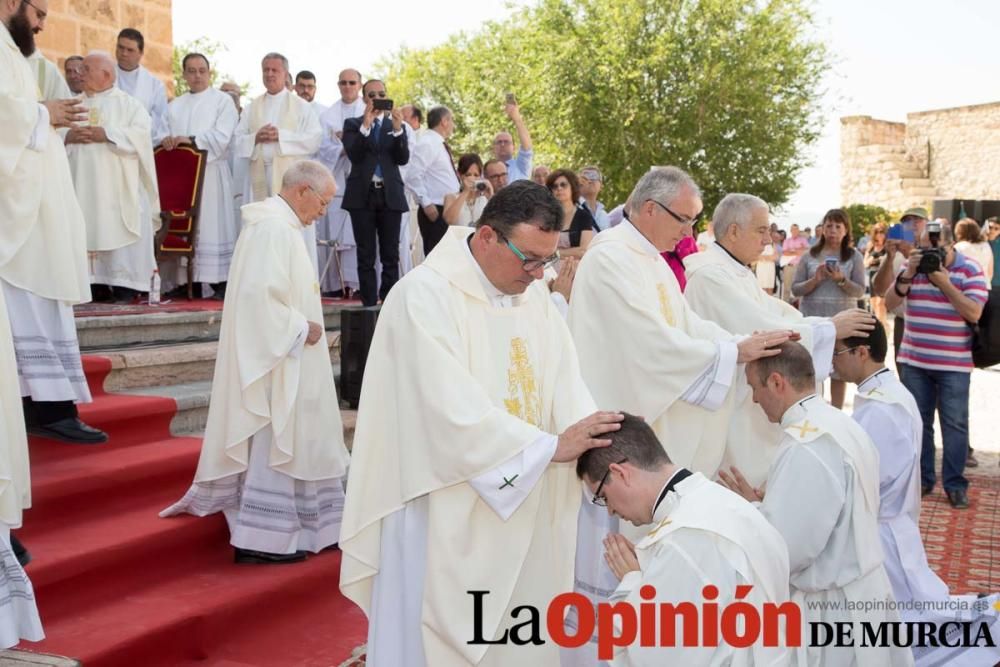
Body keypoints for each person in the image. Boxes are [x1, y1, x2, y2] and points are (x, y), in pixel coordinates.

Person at [339, 181, 625, 666]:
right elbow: (444, 409)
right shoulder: (422, 297)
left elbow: (564, 381)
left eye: (547, 261)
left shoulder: (533, 298)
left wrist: (591, 438)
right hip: (445, 502)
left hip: (527, 495)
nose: (538, 275)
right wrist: (545, 450)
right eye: (529, 259)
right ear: (488, 236)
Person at [161, 160, 350, 563]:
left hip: (291, 357)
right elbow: (256, 299)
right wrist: (301, 327)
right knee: (274, 439)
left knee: (301, 437)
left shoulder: (284, 227)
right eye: (323, 202)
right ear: (302, 191)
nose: (323, 211)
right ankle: (261, 540)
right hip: (276, 358)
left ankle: (311, 527)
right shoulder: (271, 229)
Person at [721, 342, 912, 667]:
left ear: (777, 382)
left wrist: (749, 513)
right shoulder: (839, 422)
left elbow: (789, 549)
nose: (753, 399)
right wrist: (771, 503)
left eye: (754, 387)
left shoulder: (806, 445)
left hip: (834, 609)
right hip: (863, 589)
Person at [684, 194, 874, 486]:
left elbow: (779, 313)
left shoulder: (736, 271)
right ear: (733, 231)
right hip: (733, 404)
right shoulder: (710, 276)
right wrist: (830, 328)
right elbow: (761, 329)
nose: (768, 240)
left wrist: (826, 326)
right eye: (761, 230)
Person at [578, 415, 791, 666]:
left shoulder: (682, 539)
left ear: (620, 473)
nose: (610, 510)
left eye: (603, 496)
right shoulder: (726, 504)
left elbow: (662, 656)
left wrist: (633, 585)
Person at [1, 0, 104, 449]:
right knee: (31, 300)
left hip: (35, 202)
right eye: (38, 12)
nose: (43, 24)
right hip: (19, 212)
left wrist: (50, 116)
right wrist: (46, 115)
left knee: (41, 301)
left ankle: (42, 405)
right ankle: (49, 409)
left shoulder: (13, 50)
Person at [885, 223, 987, 509]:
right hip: (915, 360)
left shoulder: (970, 269)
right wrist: (907, 274)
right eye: (926, 247)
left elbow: (974, 311)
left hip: (954, 363)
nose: (932, 254)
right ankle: (924, 479)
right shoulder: (912, 265)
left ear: (952, 244)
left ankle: (955, 484)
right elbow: (891, 303)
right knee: (920, 424)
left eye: (938, 247)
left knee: (954, 425)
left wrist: (944, 283)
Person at [65, 51, 159, 304]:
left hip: (116, 188)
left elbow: (142, 135)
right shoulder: (71, 104)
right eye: (79, 69)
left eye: (86, 69)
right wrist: (68, 136)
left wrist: (107, 134)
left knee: (123, 219)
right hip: (79, 185)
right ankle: (92, 284)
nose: (79, 74)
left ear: (106, 75)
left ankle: (123, 285)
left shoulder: (129, 105)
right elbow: (55, 132)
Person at [234, 52, 322, 271]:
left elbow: (314, 139)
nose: (270, 74)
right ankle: (259, 276)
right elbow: (236, 140)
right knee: (260, 230)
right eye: (266, 70)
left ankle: (294, 278)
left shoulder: (301, 106)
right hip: (259, 181)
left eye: (275, 70)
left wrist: (280, 137)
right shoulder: (252, 107)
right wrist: (255, 137)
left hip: (290, 181)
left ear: (285, 74)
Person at [161, 52, 240, 300]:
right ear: (183, 74)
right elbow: (161, 133)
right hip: (182, 181)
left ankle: (220, 283)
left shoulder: (222, 102)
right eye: (191, 71)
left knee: (213, 227)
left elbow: (222, 137)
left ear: (210, 73)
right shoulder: (174, 105)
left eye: (202, 70)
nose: (197, 75)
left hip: (211, 175)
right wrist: (167, 140)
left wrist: (191, 140)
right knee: (186, 227)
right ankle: (187, 282)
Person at [341, 79, 409, 307]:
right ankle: (369, 303)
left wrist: (399, 131)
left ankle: (390, 302)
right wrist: (366, 126)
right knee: (366, 253)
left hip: (390, 195)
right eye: (372, 95)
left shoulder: (396, 126)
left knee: (390, 253)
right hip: (362, 195)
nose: (377, 99)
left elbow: (402, 158)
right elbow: (355, 155)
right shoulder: (353, 124)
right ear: (364, 98)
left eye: (382, 94)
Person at [791, 209, 866, 408]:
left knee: (840, 371)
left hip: (842, 322)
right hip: (813, 320)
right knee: (811, 369)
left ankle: (836, 413)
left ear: (845, 230)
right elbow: (796, 288)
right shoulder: (809, 256)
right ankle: (812, 411)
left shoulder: (854, 257)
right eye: (829, 226)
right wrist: (815, 280)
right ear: (822, 229)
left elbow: (859, 291)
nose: (832, 231)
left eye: (837, 226)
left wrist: (842, 280)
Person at [315, 68, 366, 296]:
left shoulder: (368, 111)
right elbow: (321, 147)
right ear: (338, 85)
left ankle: (359, 284)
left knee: (358, 235)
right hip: (338, 181)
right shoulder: (328, 116)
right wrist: (341, 146)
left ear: (359, 85)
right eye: (343, 83)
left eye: (352, 83)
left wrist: (352, 143)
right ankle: (339, 284)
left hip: (361, 180)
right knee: (337, 234)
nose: (348, 87)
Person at [409, 105, 460, 255]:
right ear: (444, 121)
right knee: (438, 259)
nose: (453, 125)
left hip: (448, 208)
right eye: (451, 120)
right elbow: (412, 174)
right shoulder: (428, 142)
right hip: (435, 210)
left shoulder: (438, 143)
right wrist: (426, 203)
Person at [114, 28, 168, 145]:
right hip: (110, 142)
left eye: (130, 50)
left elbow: (158, 121)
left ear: (141, 53)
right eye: (121, 47)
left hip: (140, 145)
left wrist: (134, 135)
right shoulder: (104, 74)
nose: (124, 53)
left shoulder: (155, 85)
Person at [546, 169, 598, 260]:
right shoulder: (546, 217)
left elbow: (584, 250)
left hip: (575, 270)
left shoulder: (583, 216)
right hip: (547, 271)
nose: (559, 188)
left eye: (563, 185)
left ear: (572, 188)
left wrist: (556, 254)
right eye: (555, 186)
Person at [442, 153, 491, 227]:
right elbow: (449, 220)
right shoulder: (450, 197)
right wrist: (465, 192)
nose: (472, 178)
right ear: (459, 174)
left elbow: (498, 221)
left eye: (476, 175)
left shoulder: (484, 198)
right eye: (468, 175)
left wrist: (490, 195)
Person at [492, 97, 533, 182]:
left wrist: (516, 118)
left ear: (514, 147)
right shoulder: (487, 170)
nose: (502, 144)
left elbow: (527, 148)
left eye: (506, 142)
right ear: (493, 148)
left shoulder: (521, 166)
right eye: (499, 142)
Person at [954, 217, 993, 288]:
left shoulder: (959, 247)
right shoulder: (986, 245)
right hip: (984, 286)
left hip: (964, 287)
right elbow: (990, 272)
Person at [864, 222, 889, 326]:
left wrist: (880, 259)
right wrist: (870, 260)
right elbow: (865, 263)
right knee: (874, 304)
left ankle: (882, 327)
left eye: (881, 232)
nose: (879, 234)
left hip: (883, 276)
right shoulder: (870, 246)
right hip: (872, 274)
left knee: (880, 304)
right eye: (877, 232)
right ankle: (882, 326)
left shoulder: (887, 246)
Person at [577, 166, 610, 231]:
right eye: (585, 176)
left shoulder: (604, 215)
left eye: (595, 176)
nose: (590, 180)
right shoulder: (571, 208)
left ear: (601, 186)